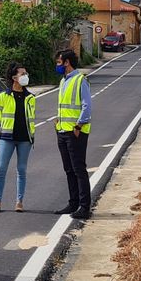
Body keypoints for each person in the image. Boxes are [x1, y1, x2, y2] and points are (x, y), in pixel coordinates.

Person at [53, 48, 93, 219]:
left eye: (59, 62)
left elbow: (87, 106)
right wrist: (58, 120)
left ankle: (84, 206)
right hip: (62, 131)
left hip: (75, 132)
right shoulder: (64, 81)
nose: (57, 65)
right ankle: (73, 203)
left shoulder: (79, 80)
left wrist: (78, 126)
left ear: (67, 62)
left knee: (79, 169)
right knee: (69, 169)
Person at [0, 61, 37, 213]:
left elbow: (31, 118)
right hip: (7, 138)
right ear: (14, 78)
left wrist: (31, 135)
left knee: (21, 170)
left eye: (26, 74)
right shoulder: (3, 97)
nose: (26, 76)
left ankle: (19, 202)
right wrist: (4, 128)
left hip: (25, 139)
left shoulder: (30, 98)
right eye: (22, 74)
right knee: (1, 169)